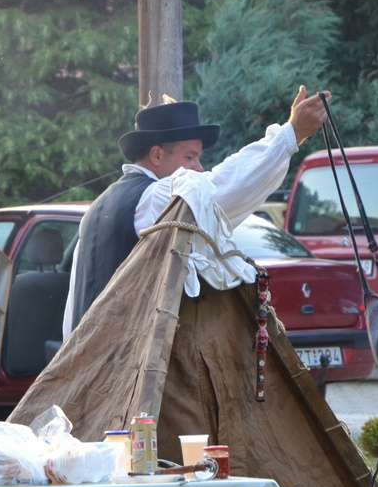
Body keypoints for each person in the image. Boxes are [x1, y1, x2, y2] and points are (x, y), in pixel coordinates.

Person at [62, 86, 330, 339]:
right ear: (156, 155)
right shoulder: (155, 198)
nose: (199, 168)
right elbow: (222, 188)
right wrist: (290, 135)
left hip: (93, 366)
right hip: (123, 364)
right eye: (190, 157)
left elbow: (72, 308)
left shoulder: (97, 207)